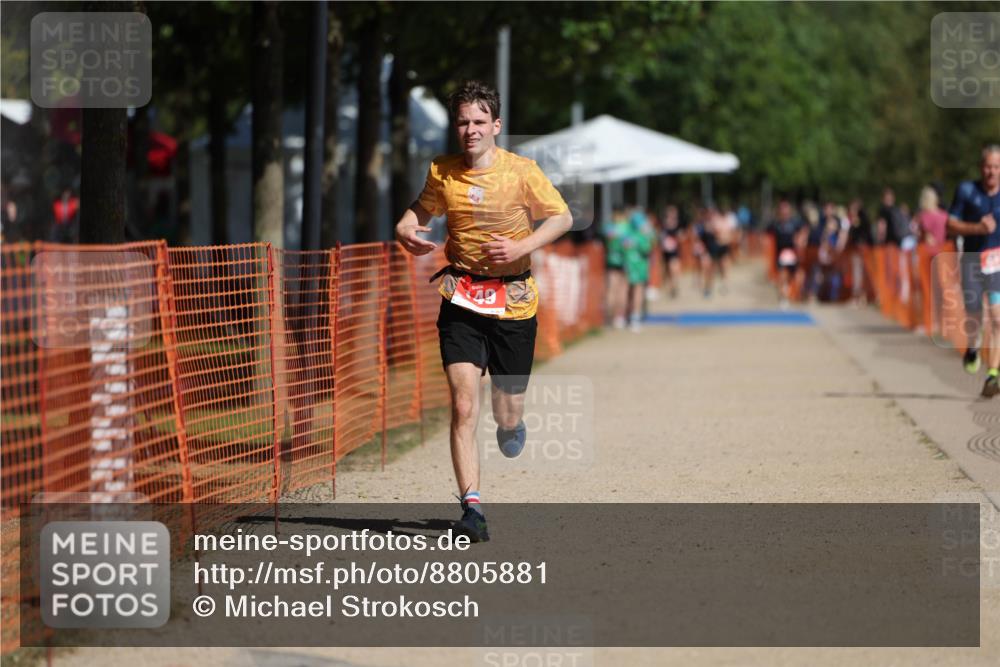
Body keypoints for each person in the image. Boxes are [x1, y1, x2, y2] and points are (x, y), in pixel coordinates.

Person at [394, 80, 573, 540]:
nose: (470, 130)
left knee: (505, 412)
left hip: (513, 299)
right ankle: (471, 507)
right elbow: (420, 211)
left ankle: (511, 425)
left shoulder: (521, 171)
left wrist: (520, 244)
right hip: (462, 296)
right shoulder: (443, 171)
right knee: (462, 402)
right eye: (462, 122)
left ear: (496, 125)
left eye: (478, 122)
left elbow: (561, 217)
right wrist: (404, 228)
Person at [946, 144, 1000, 389]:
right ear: (981, 167)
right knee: (975, 317)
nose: (991, 172)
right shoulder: (967, 191)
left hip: (997, 264)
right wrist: (977, 229)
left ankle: (993, 374)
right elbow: (950, 224)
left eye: (996, 167)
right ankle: (973, 347)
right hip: (972, 261)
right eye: (988, 166)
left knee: (998, 319)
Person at [768, 199, 806, 308]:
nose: (784, 212)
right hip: (780, 254)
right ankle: (783, 298)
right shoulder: (775, 224)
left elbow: (803, 231)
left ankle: (792, 293)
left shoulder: (795, 222)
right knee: (782, 277)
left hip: (793, 253)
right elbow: (767, 234)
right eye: (782, 209)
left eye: (786, 209)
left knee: (794, 276)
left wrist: (800, 240)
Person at [622, 206, 653, 332]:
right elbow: (647, 249)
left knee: (628, 291)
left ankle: (624, 316)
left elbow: (622, 247)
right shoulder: (641, 234)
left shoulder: (626, 232)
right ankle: (634, 317)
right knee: (637, 291)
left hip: (627, 265)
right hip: (639, 266)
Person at [659, 204, 683, 299]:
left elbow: (682, 237)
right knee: (667, 271)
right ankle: (669, 287)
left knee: (674, 269)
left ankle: (674, 287)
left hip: (675, 252)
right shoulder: (663, 226)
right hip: (666, 252)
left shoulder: (678, 225)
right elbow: (660, 238)